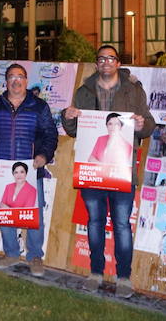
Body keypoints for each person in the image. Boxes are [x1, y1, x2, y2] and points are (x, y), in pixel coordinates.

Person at [63, 44, 155, 298]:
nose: (106, 62)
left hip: (122, 171)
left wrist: (141, 124)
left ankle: (123, 277)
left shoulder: (133, 89)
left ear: (117, 62)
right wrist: (68, 117)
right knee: (94, 222)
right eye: (101, 58)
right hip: (93, 173)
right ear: (96, 63)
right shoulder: (84, 91)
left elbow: (149, 126)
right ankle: (95, 272)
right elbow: (73, 130)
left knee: (122, 224)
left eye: (111, 58)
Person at [0, 63, 58, 277]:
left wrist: (43, 156)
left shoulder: (39, 106)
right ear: (6, 81)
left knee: (34, 214)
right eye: (12, 76)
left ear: (26, 80)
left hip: (31, 168)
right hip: (3, 168)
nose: (16, 80)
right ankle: (11, 253)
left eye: (20, 76)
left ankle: (35, 256)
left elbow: (51, 135)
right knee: (5, 211)